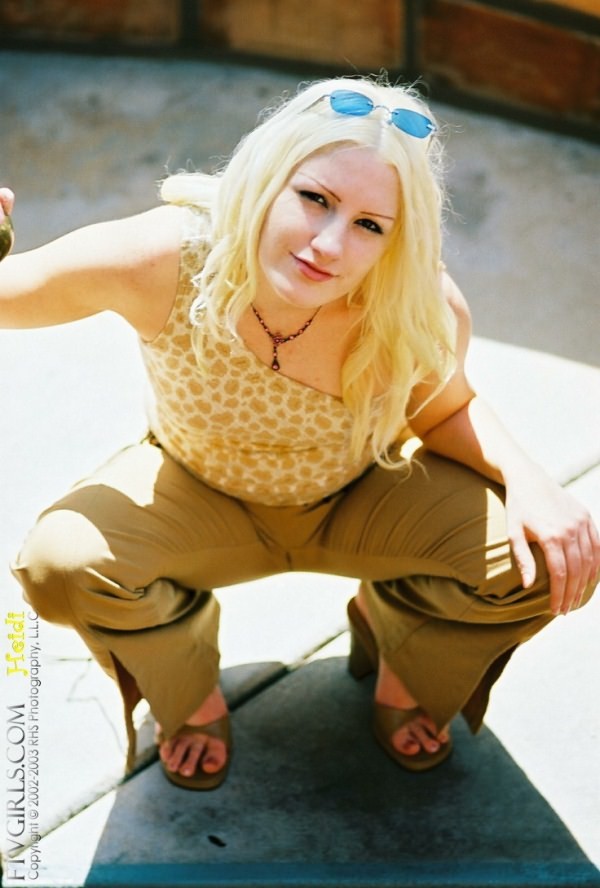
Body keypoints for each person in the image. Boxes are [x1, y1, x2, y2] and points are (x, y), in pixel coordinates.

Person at [1, 76, 598, 791]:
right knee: (59, 565)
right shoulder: (169, 256)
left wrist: (531, 480)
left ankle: (402, 649)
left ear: (396, 240)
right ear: (268, 176)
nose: (327, 244)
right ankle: (187, 686)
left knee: (547, 555)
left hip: (359, 497)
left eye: (370, 225)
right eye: (314, 199)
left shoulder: (414, 304)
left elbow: (441, 410)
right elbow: (11, 296)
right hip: (197, 495)